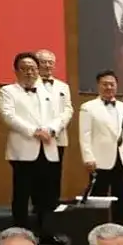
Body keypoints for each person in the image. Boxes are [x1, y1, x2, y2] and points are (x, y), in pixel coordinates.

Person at [0, 53, 65, 238]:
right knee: (22, 194)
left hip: (48, 146)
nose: (29, 72)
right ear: (16, 71)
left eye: (33, 69)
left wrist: (52, 129)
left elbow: (61, 114)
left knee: (47, 195)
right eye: (24, 68)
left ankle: (47, 233)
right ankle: (20, 234)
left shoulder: (48, 92)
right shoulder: (8, 91)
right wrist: (34, 131)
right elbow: (8, 116)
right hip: (23, 149)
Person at [78, 70, 123, 226]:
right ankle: (98, 230)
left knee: (121, 198)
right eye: (105, 84)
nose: (109, 87)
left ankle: (120, 230)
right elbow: (85, 135)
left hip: (122, 159)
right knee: (99, 198)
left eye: (112, 84)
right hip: (99, 160)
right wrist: (88, 157)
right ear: (98, 85)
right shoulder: (88, 107)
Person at [34, 50, 75, 202]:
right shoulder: (31, 85)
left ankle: (53, 206)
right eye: (43, 62)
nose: (47, 65)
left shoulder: (63, 86)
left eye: (50, 62)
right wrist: (42, 130)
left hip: (57, 137)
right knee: (37, 174)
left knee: (55, 173)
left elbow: (68, 110)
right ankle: (38, 208)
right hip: (37, 137)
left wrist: (53, 129)